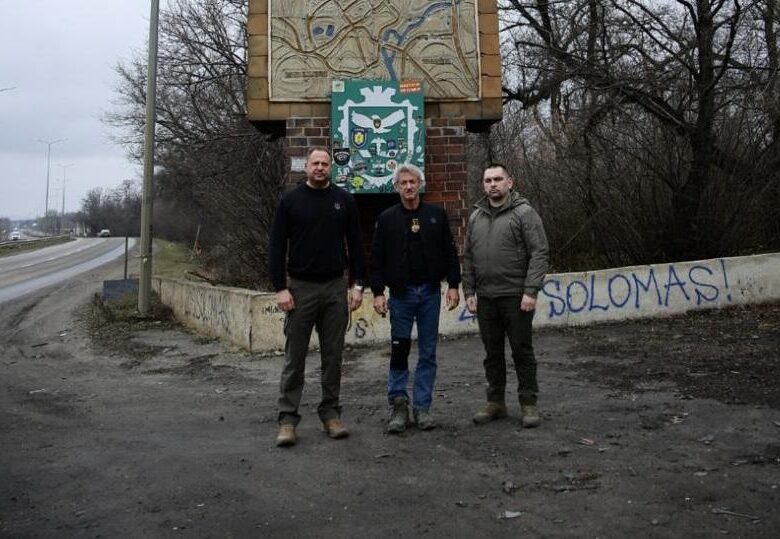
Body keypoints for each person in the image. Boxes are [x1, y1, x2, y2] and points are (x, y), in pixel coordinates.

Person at [268, 146, 366, 447]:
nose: (320, 168)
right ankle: (287, 420)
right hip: (300, 288)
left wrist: (357, 285)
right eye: (315, 163)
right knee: (295, 357)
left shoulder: (344, 200)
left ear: (331, 168)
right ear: (306, 166)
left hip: (335, 287)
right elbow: (275, 247)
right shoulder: (290, 200)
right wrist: (280, 287)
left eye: (325, 163)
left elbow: (357, 245)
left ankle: (331, 414)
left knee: (333, 356)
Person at [370, 163, 461, 433]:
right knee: (399, 350)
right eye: (403, 183)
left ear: (420, 184)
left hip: (430, 293)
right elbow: (376, 258)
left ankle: (422, 408)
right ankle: (399, 405)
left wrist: (454, 285)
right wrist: (377, 292)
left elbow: (450, 251)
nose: (409, 187)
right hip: (401, 295)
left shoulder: (436, 215)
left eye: (413, 182)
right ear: (396, 187)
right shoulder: (387, 218)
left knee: (428, 352)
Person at [462, 163, 549, 428]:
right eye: (488, 180)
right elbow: (468, 257)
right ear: (483, 185)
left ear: (509, 182)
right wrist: (469, 291)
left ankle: (529, 404)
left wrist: (530, 291)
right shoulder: (476, 217)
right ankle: (496, 402)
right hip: (486, 298)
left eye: (498, 179)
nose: (493, 184)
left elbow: (539, 253)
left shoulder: (524, 213)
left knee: (522, 351)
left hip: (516, 296)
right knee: (492, 353)